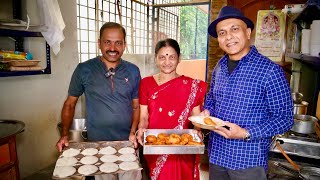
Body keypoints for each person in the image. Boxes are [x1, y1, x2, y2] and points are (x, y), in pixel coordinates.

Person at [204, 6, 293, 180]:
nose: (228, 36)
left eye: (234, 29)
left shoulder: (270, 71)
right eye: (222, 33)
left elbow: (285, 118)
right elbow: (212, 100)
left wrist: (246, 133)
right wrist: (207, 112)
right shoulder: (219, 68)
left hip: (248, 161)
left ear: (248, 32)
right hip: (217, 155)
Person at [56, 22, 141, 180]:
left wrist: (133, 133)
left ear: (125, 45)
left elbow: (136, 107)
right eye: (107, 42)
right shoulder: (84, 69)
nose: (113, 48)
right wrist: (64, 135)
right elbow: (70, 104)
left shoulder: (133, 71)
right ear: (99, 43)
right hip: (97, 145)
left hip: (127, 144)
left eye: (118, 43)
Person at [136, 38, 207, 180]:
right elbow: (143, 116)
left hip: (183, 148)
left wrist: (199, 129)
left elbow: (197, 117)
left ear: (179, 58)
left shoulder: (191, 85)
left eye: (172, 57)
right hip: (156, 145)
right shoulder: (146, 83)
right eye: (162, 57)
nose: (167, 62)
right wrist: (141, 129)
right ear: (156, 59)